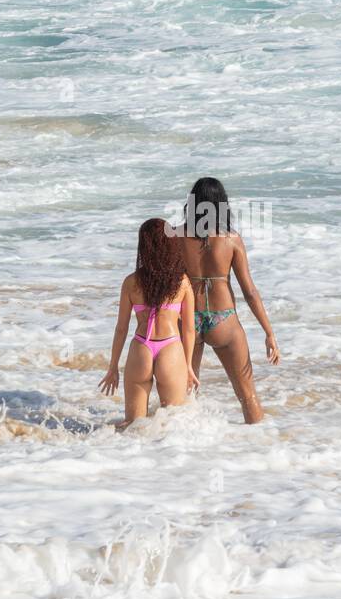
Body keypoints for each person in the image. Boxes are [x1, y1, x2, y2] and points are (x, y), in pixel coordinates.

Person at [177, 177, 279, 423]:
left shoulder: (176, 237)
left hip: (188, 319)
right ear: (221, 205)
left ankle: (179, 450)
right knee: (247, 396)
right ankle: (259, 447)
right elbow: (250, 291)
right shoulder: (231, 239)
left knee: (185, 394)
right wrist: (269, 332)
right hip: (224, 319)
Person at [99, 218, 199, 425]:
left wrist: (113, 367)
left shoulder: (131, 282)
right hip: (170, 348)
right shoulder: (182, 282)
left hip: (140, 349)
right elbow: (189, 329)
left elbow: (121, 328)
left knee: (133, 426)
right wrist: (188, 365)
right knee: (172, 425)